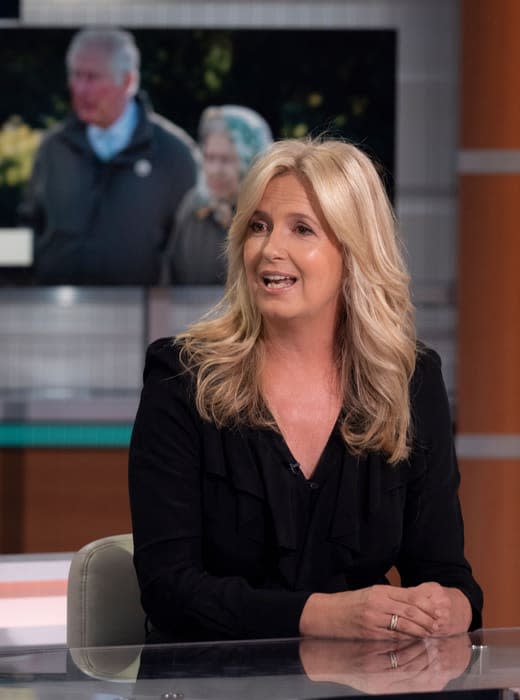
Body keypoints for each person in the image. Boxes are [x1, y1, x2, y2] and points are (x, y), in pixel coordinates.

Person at [129, 137, 483, 643]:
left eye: (301, 229)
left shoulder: (408, 380)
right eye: (258, 226)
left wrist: (450, 608)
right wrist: (324, 617)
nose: (270, 249)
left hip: (366, 683)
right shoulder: (181, 379)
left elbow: (448, 575)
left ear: (354, 251)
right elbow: (170, 590)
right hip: (215, 684)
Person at [19, 28, 198, 285]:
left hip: (140, 319)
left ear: (128, 81)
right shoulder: (53, 149)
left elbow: (191, 251)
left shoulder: (175, 155)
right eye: (76, 76)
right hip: (56, 314)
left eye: (92, 78)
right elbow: (28, 227)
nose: (80, 89)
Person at [169, 104, 272, 285]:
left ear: (253, 159)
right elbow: (171, 277)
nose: (215, 170)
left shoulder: (270, 212)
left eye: (227, 159)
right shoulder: (195, 206)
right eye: (210, 158)